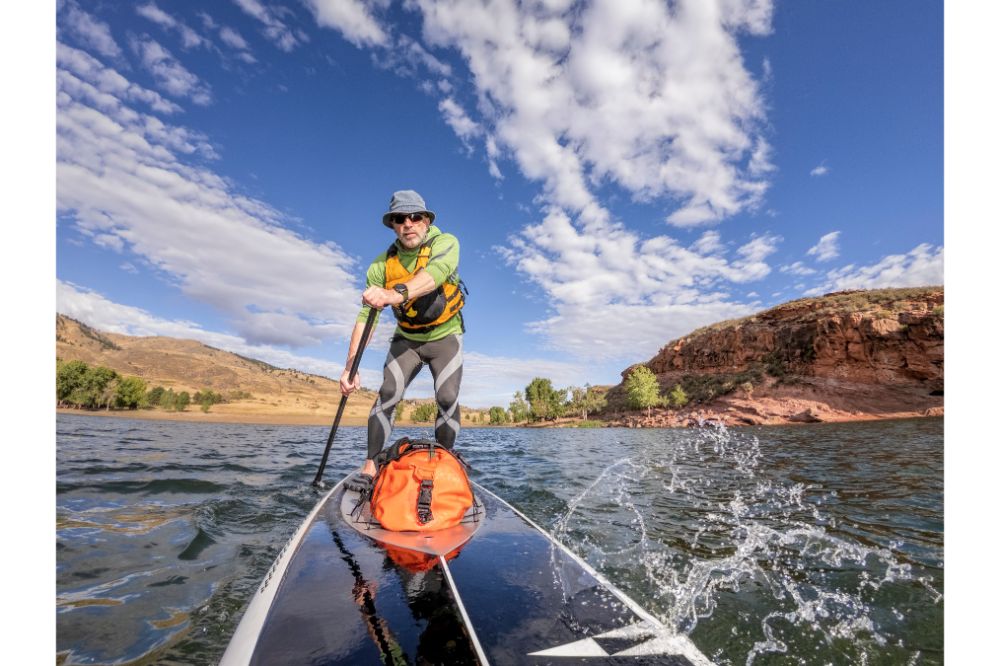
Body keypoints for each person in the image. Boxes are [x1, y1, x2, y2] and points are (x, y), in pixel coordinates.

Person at [340, 190, 466, 479]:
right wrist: (350, 367)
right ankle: (371, 464)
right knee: (387, 393)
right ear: (393, 225)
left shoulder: (446, 243)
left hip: (445, 336)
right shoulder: (380, 266)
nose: (408, 223)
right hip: (406, 339)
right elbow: (365, 317)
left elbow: (435, 273)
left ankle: (444, 464)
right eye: (399, 219)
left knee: (447, 397)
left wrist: (393, 294)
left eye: (415, 217)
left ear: (426, 220)